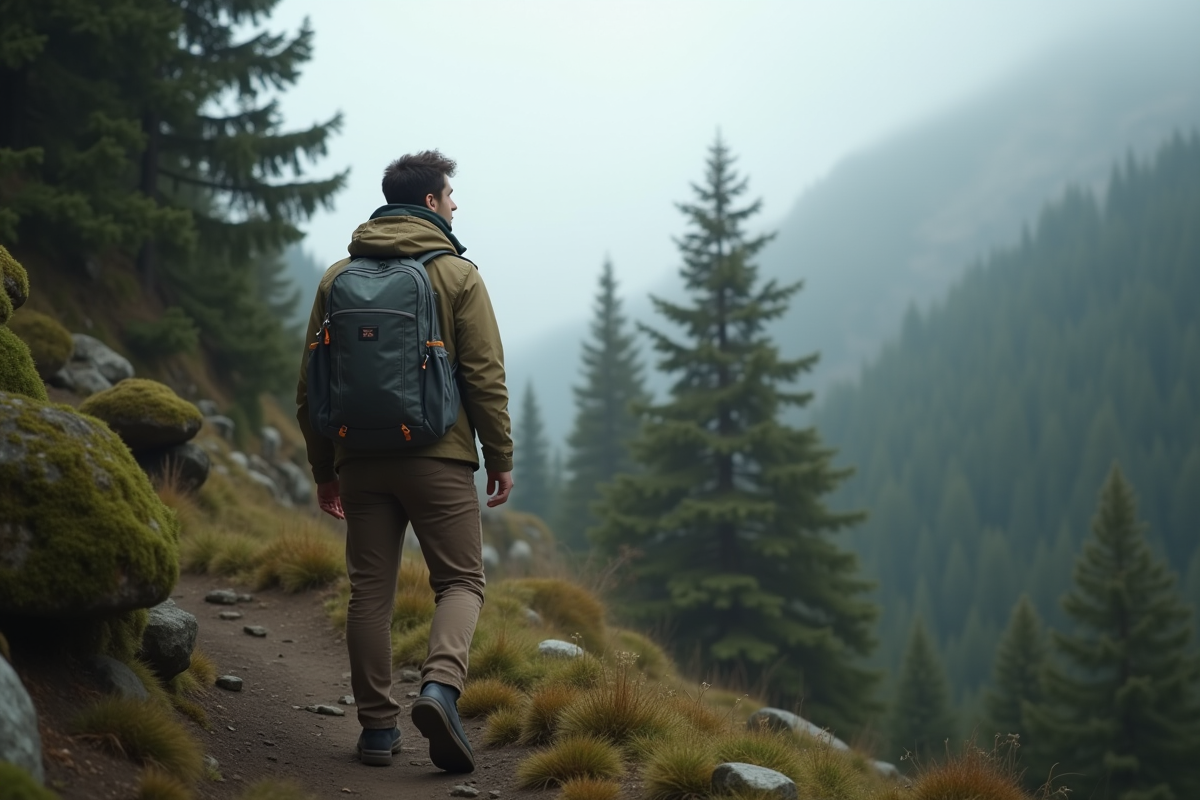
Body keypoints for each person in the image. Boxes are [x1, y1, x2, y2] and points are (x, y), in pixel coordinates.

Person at [296, 150, 514, 773]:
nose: (454, 204)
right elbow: (484, 377)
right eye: (450, 195)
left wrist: (324, 469)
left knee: (370, 592)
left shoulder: (338, 276)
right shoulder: (458, 276)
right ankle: (441, 688)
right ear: (428, 203)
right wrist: (498, 455)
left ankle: (376, 732)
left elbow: (309, 385)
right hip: (437, 457)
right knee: (461, 582)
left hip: (359, 460)